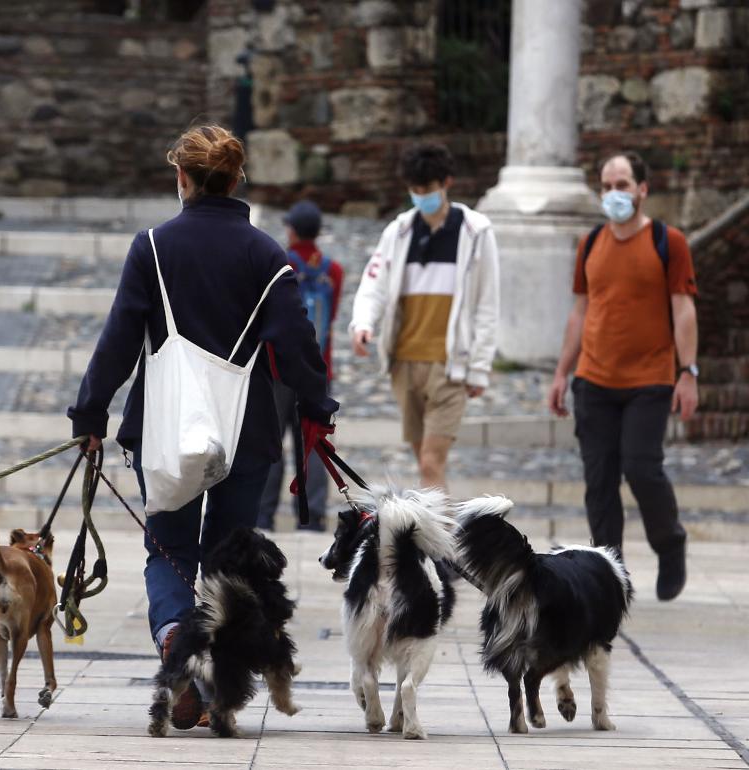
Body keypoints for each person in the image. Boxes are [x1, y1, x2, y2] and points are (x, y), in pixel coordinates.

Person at [66, 125, 337, 728]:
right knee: (231, 560)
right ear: (237, 179)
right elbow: (297, 344)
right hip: (247, 430)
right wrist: (317, 410)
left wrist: (90, 416)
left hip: (166, 429)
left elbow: (117, 341)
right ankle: (217, 685)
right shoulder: (268, 254)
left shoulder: (153, 247)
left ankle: (173, 642)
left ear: (182, 178)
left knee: (168, 547)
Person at [547, 151, 698, 602]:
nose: (614, 194)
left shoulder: (668, 242)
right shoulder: (590, 244)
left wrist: (687, 372)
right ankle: (609, 572)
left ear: (642, 190)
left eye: (623, 185)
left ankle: (670, 544)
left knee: (641, 467)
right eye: (607, 186)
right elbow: (580, 310)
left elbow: (684, 310)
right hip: (593, 379)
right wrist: (561, 373)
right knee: (599, 480)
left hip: (649, 379)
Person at [349, 142, 500, 490]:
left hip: (450, 366)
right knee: (425, 466)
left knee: (432, 463)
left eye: (427, 190)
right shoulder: (398, 231)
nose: (421, 197)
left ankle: (440, 545)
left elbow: (488, 305)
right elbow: (374, 284)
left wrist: (479, 367)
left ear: (446, 183)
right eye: (414, 191)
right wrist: (363, 324)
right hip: (405, 363)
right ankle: (437, 540)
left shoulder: (476, 233)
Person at [257, 200, 344, 532]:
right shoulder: (333, 271)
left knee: (272, 442)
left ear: (291, 230)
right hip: (319, 370)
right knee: (314, 444)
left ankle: (263, 515)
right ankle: (311, 516)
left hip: (278, 370)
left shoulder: (281, 266)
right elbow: (331, 317)